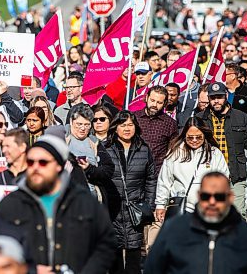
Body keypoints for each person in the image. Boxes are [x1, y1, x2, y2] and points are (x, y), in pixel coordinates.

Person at [0, 135, 116, 273]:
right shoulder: (12, 203)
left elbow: (106, 243)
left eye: (43, 162)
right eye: (30, 162)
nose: (35, 167)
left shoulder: (83, 201)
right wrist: (29, 270)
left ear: (59, 166)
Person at [145, 172, 247, 274]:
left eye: (219, 197)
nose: (212, 202)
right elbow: (153, 270)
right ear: (199, 196)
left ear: (230, 197)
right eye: (206, 196)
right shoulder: (173, 230)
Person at [197, 82, 247, 217]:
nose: (216, 101)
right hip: (210, 175)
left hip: (235, 174)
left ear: (226, 96)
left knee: (238, 215)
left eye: (220, 96)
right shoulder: (200, 119)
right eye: (213, 97)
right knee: (212, 216)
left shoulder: (240, 117)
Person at [104, 111, 156, 273]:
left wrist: (148, 203)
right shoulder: (106, 148)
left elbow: (151, 179)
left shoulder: (143, 149)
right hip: (113, 209)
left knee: (134, 253)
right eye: (123, 125)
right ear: (115, 127)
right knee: (114, 252)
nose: (127, 128)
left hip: (136, 209)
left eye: (130, 125)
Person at [155, 117, 229, 222]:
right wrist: (160, 204)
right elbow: (165, 180)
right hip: (181, 209)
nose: (194, 141)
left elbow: (223, 180)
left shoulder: (214, 153)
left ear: (204, 135)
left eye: (198, 137)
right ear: (185, 136)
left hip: (208, 209)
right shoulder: (174, 153)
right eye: (190, 137)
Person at [67, 104, 114, 203]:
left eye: (86, 124)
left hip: (92, 197)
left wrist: (89, 169)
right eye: (79, 124)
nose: (83, 128)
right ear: (71, 122)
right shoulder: (62, 139)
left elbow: (108, 170)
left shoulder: (94, 143)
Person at [134, 86, 178, 176]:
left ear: (165, 103)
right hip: (133, 170)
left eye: (159, 102)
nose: (154, 105)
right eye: (152, 100)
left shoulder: (170, 123)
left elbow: (173, 150)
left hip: (156, 173)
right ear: (146, 98)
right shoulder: (133, 118)